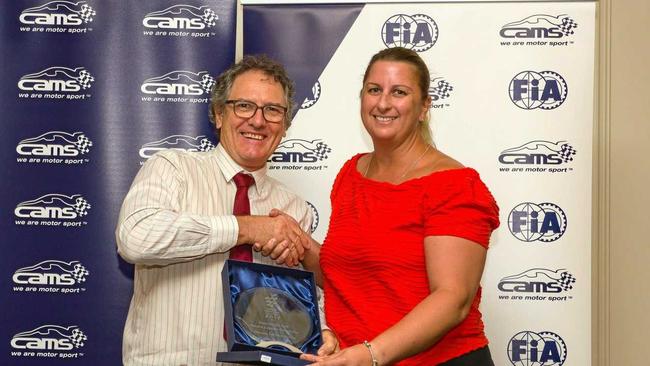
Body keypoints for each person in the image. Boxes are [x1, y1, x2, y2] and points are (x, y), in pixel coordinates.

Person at [116, 55, 337, 366]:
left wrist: (323, 332)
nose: (258, 121)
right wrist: (244, 228)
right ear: (219, 114)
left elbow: (302, 298)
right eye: (244, 106)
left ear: (285, 126)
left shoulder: (293, 209)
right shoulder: (172, 169)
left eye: (273, 110)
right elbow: (135, 237)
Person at [297, 47, 500, 365]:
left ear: (424, 107)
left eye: (399, 92)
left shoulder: (456, 185)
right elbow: (353, 278)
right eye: (374, 90)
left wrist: (370, 354)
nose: (383, 103)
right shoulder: (351, 174)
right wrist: (299, 244)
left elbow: (453, 299)